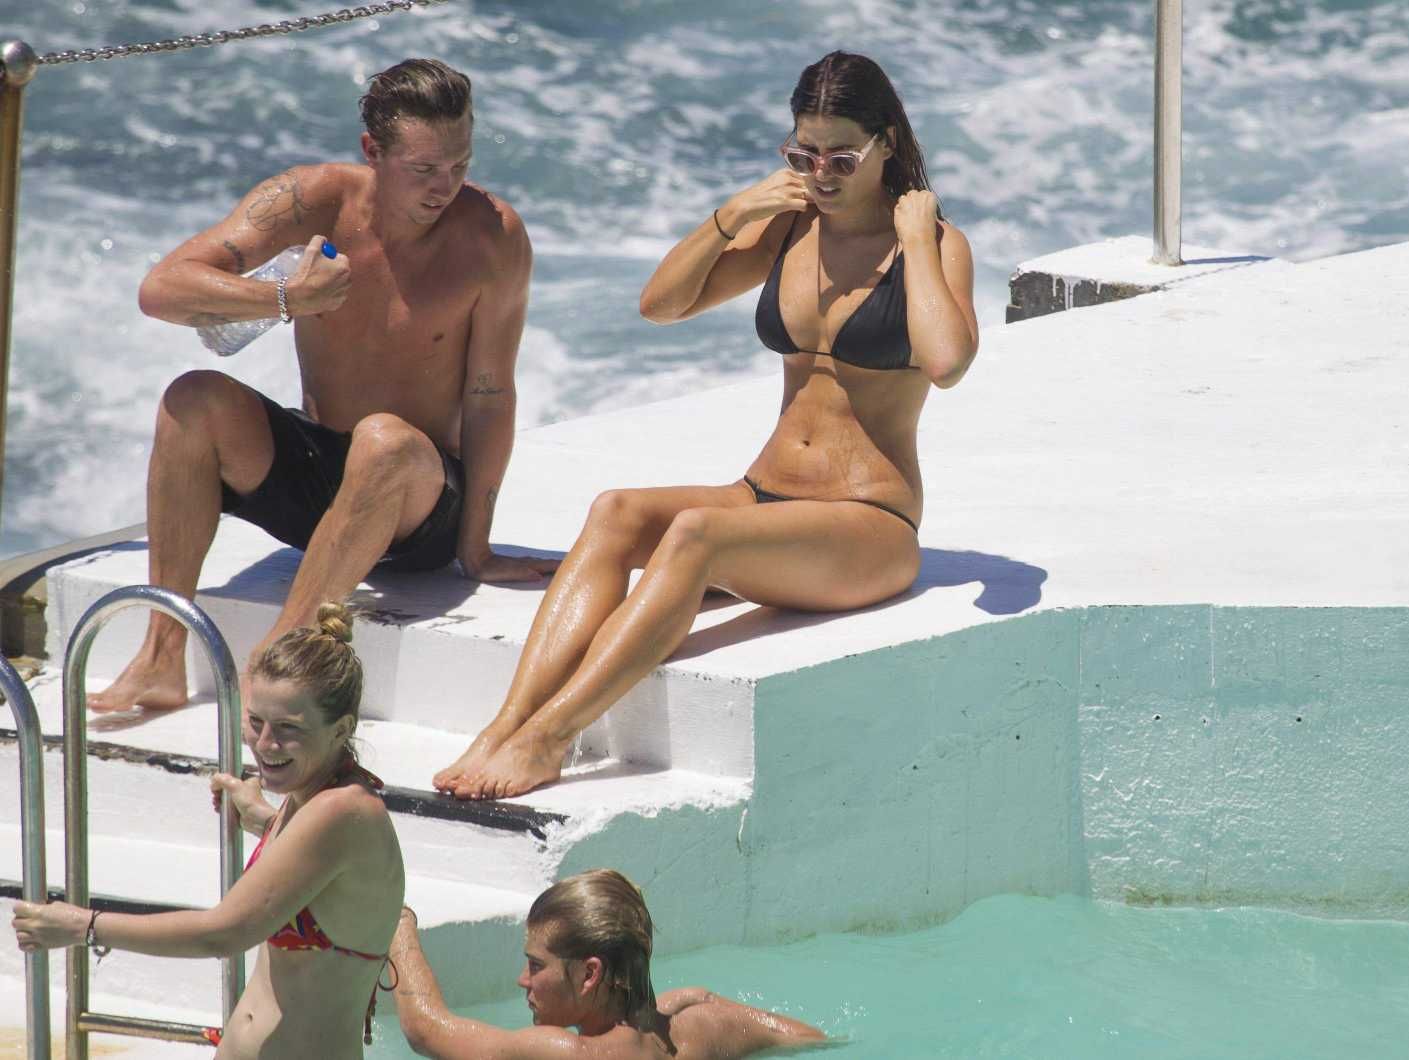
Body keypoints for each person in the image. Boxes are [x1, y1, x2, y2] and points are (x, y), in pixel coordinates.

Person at [434, 51, 978, 799]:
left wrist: (915, 240)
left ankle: (548, 740)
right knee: (615, 511)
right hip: (763, 495)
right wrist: (734, 215)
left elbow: (946, 362)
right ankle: (505, 724)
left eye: (842, 157)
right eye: (804, 154)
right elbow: (660, 305)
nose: (821, 173)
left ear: (885, 142)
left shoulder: (935, 245)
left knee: (695, 533)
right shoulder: (791, 230)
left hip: (868, 523)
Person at [88, 57, 556, 714]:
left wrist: (475, 547)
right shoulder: (313, 199)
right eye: (424, 168)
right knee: (193, 399)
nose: (444, 186)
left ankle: (276, 661)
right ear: (373, 151)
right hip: (322, 481)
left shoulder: (494, 236)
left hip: (419, 502)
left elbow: (490, 394)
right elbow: (161, 289)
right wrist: (286, 297)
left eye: (460, 164)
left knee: (384, 440)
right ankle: (161, 657)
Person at [14, 603, 405, 1059]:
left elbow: (223, 934)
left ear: (342, 729)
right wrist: (264, 819)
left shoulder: (340, 811)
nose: (265, 744)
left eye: (288, 729)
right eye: (256, 722)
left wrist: (84, 926)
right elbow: (316, 874)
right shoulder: (312, 799)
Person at [392, 869, 825, 1058]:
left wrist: (395, 919)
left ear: (590, 974)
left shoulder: (568, 1054)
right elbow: (813, 1039)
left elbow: (426, 1029)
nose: (522, 980)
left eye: (536, 966)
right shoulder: (700, 1022)